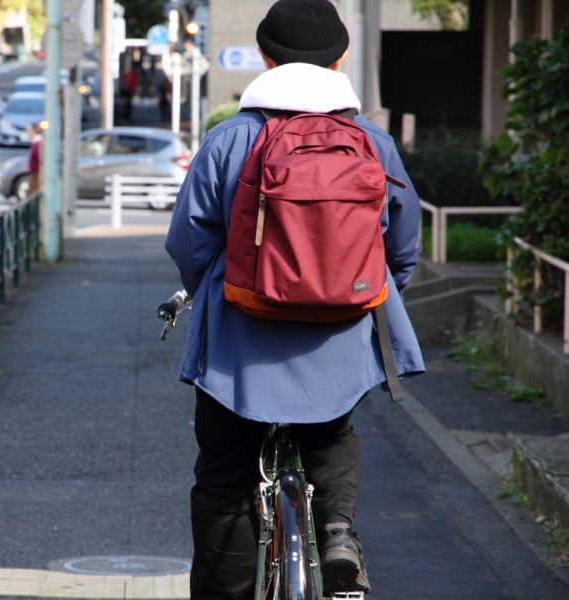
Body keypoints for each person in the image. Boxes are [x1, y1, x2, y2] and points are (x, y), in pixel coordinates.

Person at [164, 1, 425, 598]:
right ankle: (336, 534)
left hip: (240, 345)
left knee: (225, 474)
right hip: (338, 333)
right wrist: (361, 297)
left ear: (264, 57)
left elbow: (188, 240)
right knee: (332, 435)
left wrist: (218, 290)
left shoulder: (229, 139)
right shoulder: (371, 143)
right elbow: (400, 249)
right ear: (339, 59)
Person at [26, 121, 44, 198]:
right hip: (36, 173)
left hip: (37, 173)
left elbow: (40, 158)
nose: (28, 133)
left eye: (29, 131)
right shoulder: (36, 142)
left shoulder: (38, 143)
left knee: (32, 194)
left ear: (33, 131)